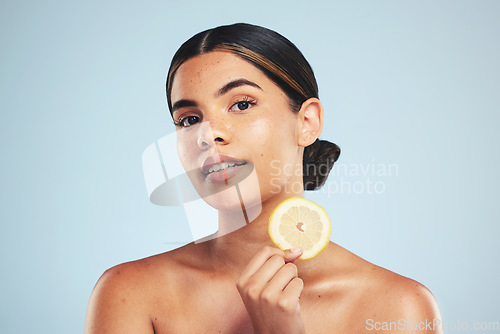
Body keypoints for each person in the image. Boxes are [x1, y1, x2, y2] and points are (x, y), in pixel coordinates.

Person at [85, 23, 442, 333]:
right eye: (190, 119)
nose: (209, 134)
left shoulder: (399, 308)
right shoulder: (129, 294)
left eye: (242, 104)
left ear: (307, 123)